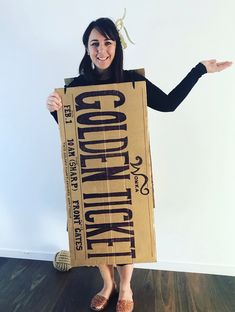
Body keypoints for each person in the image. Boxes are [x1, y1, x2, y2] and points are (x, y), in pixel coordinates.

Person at [46, 17, 232, 312]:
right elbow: (69, 132)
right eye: (95, 43)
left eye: (108, 43)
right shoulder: (77, 87)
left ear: (117, 47)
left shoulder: (132, 80)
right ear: (86, 48)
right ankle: (107, 284)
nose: (102, 50)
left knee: (124, 226)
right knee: (97, 228)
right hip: (92, 171)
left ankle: (126, 286)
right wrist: (54, 110)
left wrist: (200, 70)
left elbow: (169, 103)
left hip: (125, 168)